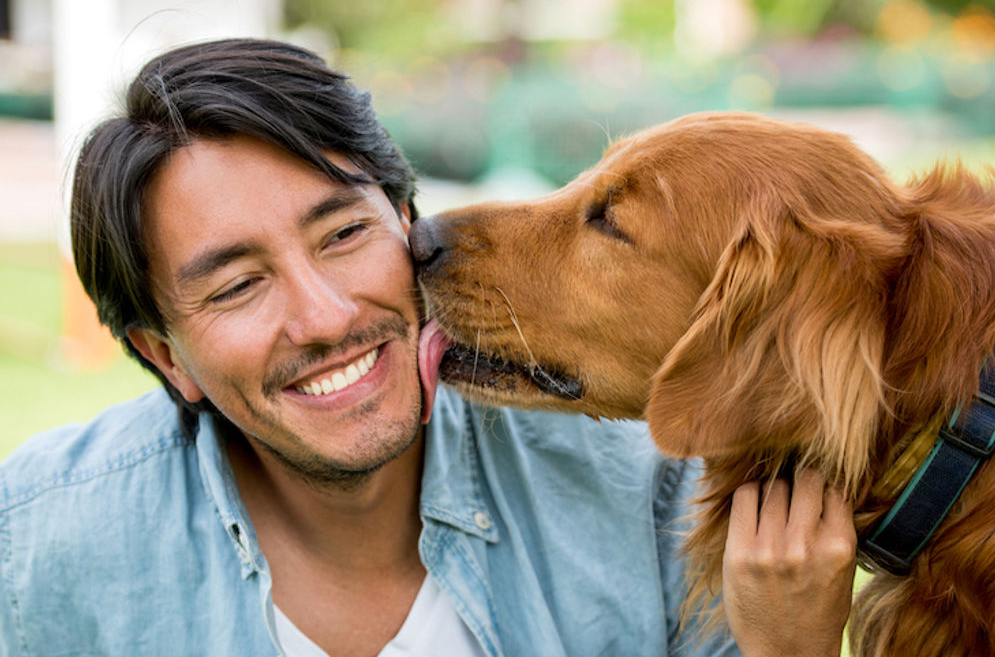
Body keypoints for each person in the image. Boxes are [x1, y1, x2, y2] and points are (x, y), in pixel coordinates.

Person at [0, 38, 856, 657]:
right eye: (236, 286)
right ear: (165, 357)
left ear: (405, 221)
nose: (327, 317)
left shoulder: (660, 491)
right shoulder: (35, 546)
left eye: (342, 234)